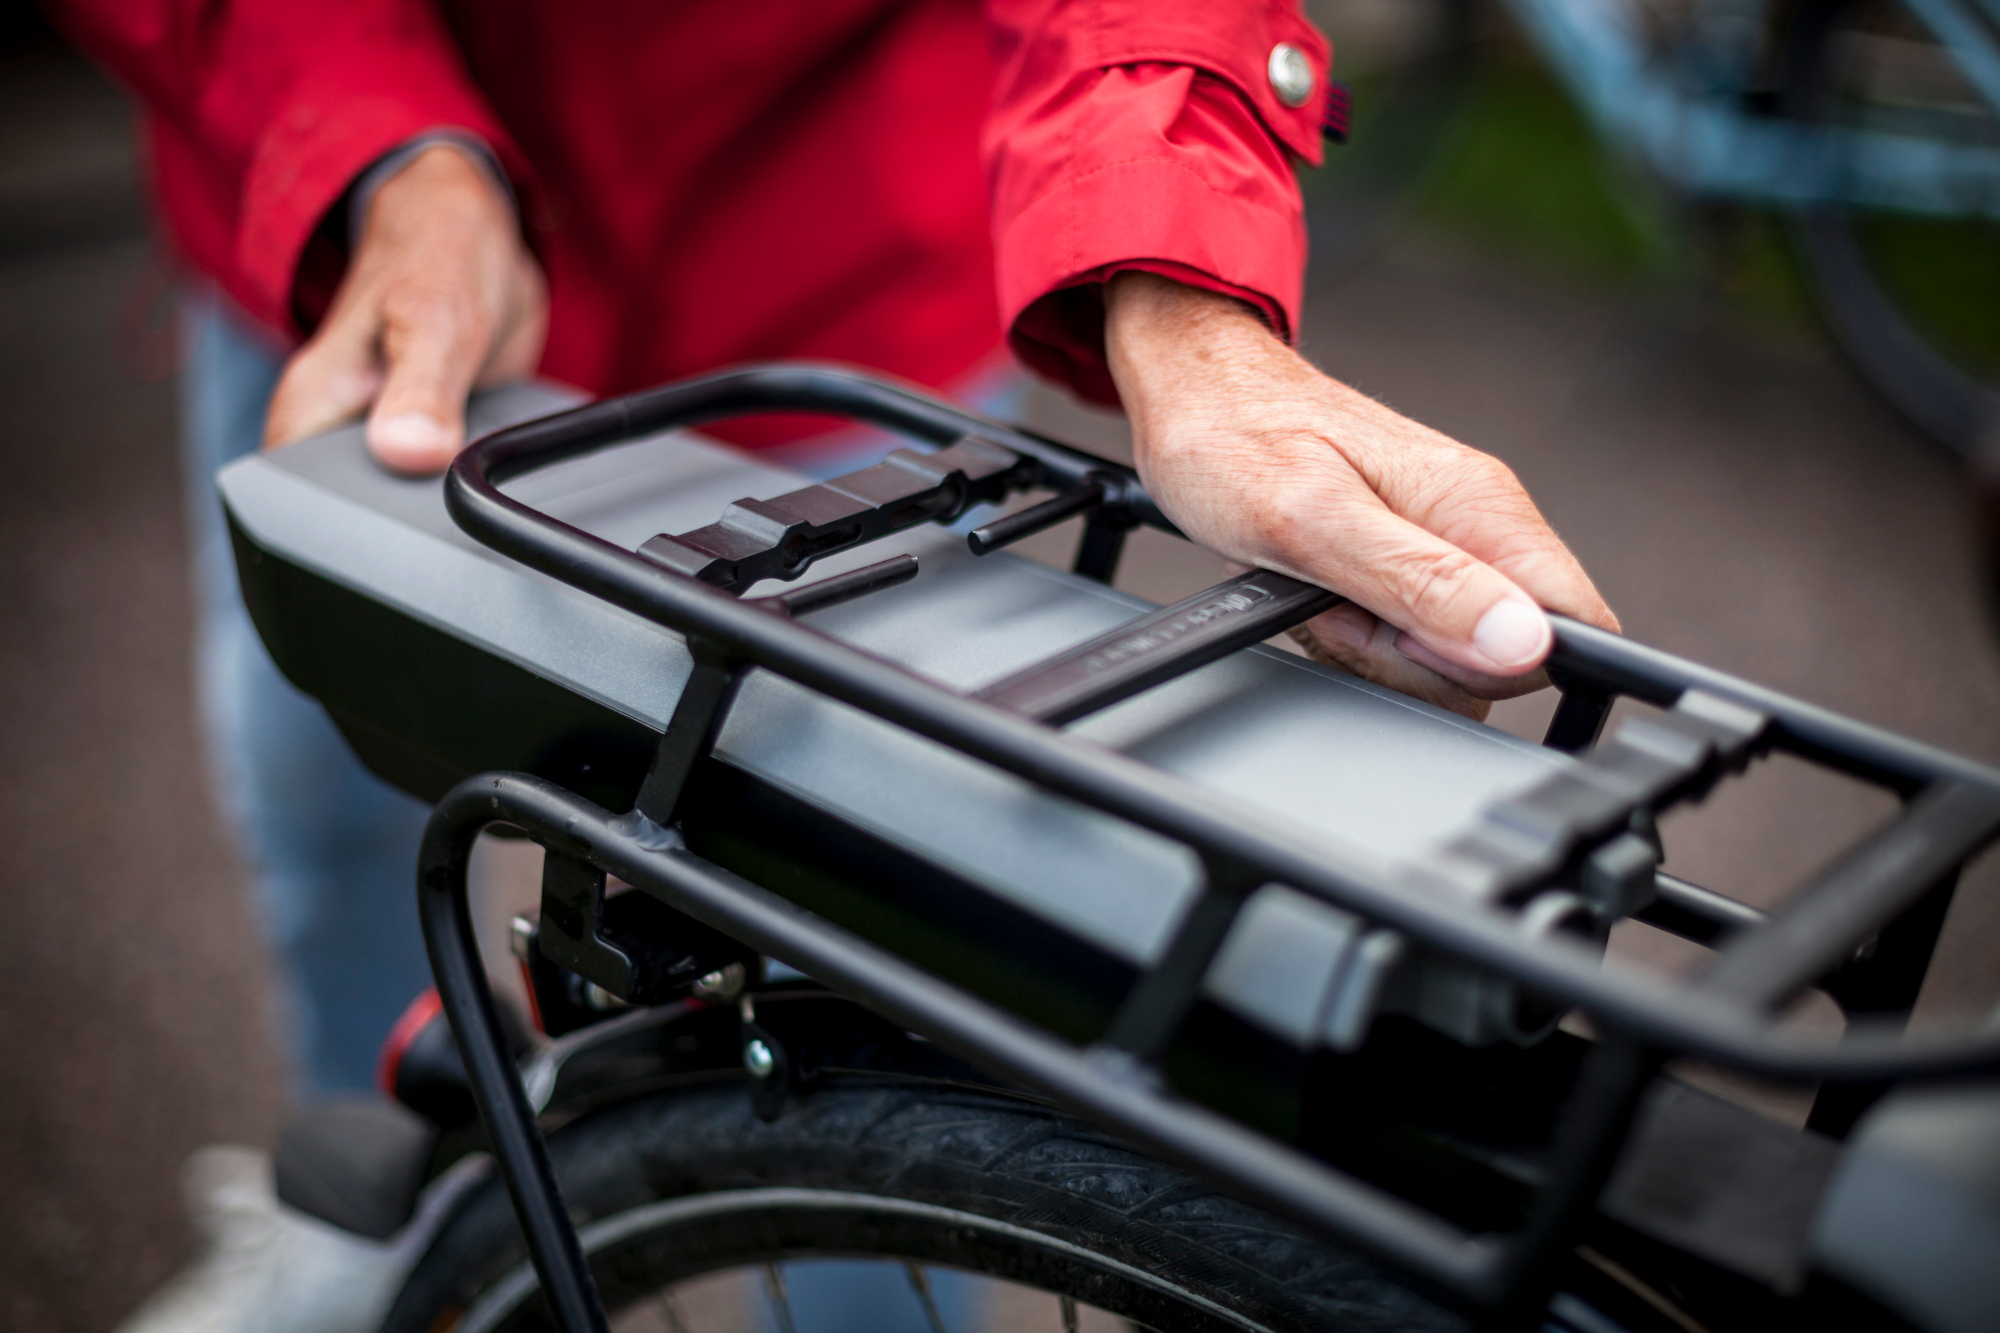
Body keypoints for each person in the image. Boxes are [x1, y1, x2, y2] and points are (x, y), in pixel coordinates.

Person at [55, 0, 1617, 1329]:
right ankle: (363, 1231)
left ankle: (873, 1278)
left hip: (829, 242)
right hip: (369, 253)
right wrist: (372, 145)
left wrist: (1177, 274)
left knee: (865, 913)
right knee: (321, 764)